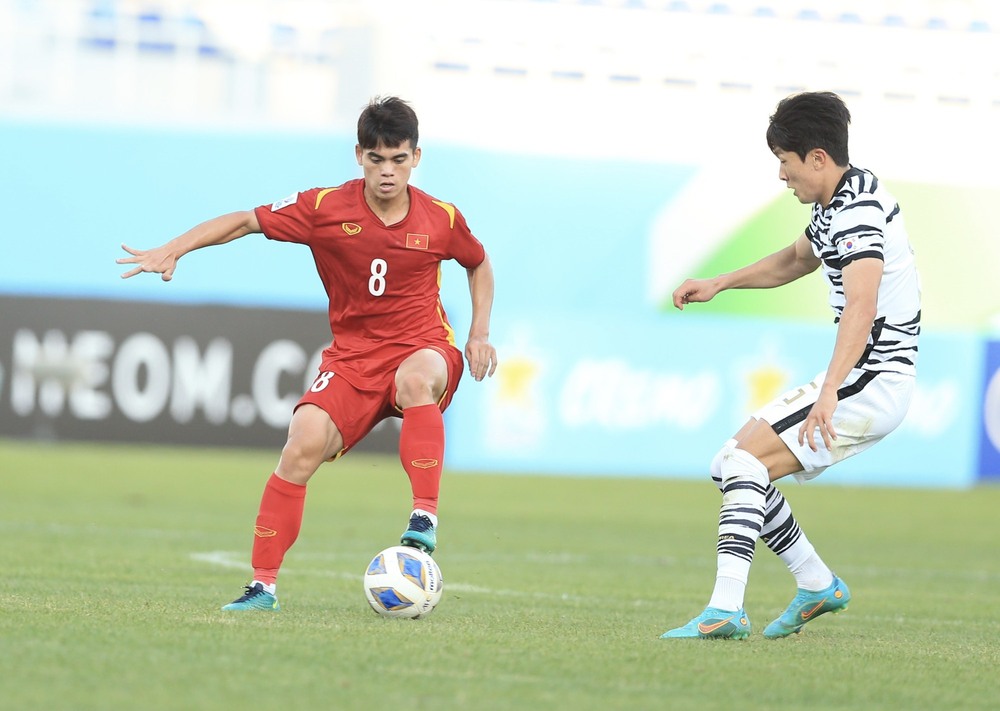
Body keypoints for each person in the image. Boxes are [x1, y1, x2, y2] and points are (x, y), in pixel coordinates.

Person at [117, 96, 498, 611]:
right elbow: (245, 221)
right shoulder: (325, 209)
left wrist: (477, 334)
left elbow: (477, 264)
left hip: (421, 346)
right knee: (301, 444)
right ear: (359, 156)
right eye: (376, 159)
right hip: (352, 359)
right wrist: (175, 248)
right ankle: (262, 588)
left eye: (399, 159)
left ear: (416, 158)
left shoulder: (442, 218)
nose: (388, 172)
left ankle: (423, 517)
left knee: (415, 379)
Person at [661, 91, 920, 639]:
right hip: (865, 379)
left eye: (785, 159)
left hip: (869, 380)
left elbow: (862, 303)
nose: (782, 174)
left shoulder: (856, 211)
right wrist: (721, 281)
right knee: (731, 464)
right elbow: (796, 259)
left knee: (741, 462)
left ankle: (726, 609)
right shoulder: (842, 200)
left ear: (818, 158)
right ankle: (815, 582)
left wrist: (829, 391)